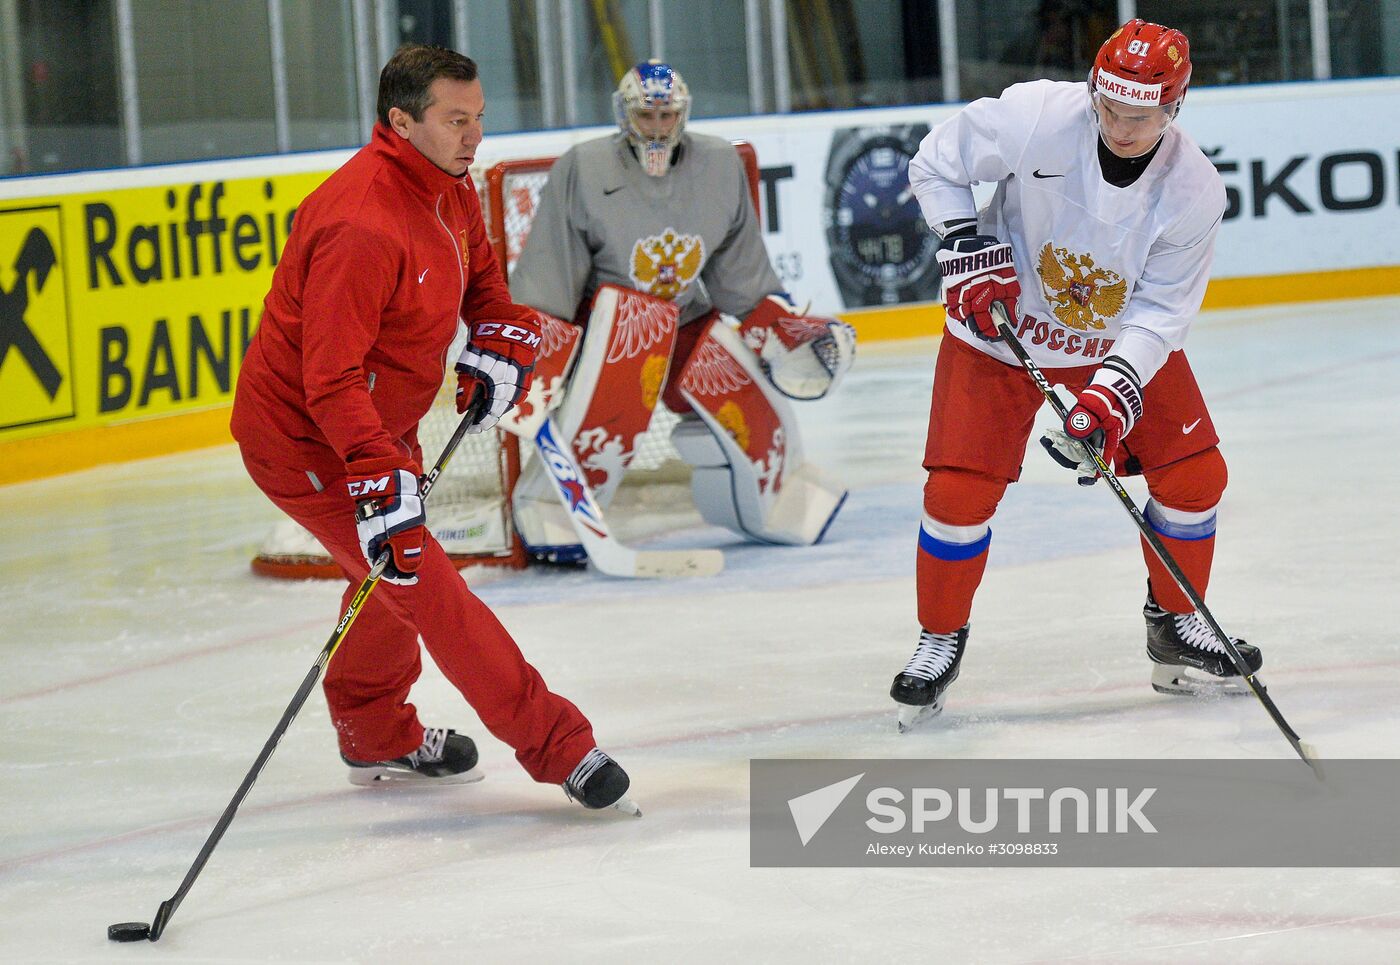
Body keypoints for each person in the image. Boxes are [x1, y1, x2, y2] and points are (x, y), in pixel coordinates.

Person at [231, 44, 636, 813]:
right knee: (425, 583)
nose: (474, 135)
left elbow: (480, 275)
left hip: (381, 420)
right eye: (456, 120)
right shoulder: (360, 223)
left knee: (383, 576)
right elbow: (329, 379)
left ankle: (376, 731)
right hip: (309, 441)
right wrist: (374, 470)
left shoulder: (448, 184)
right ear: (402, 122)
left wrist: (498, 331)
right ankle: (560, 745)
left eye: (479, 117)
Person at [891, 19, 1262, 729]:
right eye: (1110, 109)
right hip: (996, 329)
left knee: (1194, 474)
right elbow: (935, 165)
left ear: (1176, 106)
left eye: (1142, 115)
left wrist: (1113, 388)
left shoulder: (1194, 191)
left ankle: (1175, 623)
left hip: (1111, 337)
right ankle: (940, 636)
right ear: (1094, 91)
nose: (1122, 128)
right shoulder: (1035, 116)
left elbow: (1160, 311)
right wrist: (966, 241)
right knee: (957, 491)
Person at [504, 60, 856, 565]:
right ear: (624, 116)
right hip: (615, 331)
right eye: (647, 117)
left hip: (689, 317)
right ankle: (550, 506)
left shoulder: (717, 164)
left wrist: (781, 329)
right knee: (629, 344)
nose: (658, 128)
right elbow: (550, 274)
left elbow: (741, 276)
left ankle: (777, 492)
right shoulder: (584, 168)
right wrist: (534, 362)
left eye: (667, 116)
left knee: (752, 411)